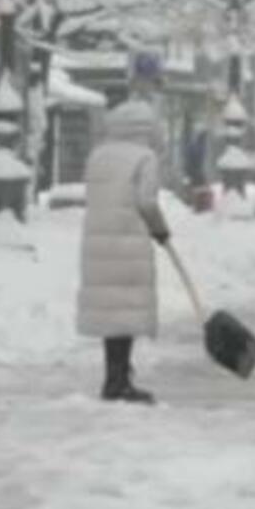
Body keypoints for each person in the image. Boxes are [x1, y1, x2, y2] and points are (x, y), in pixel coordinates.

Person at [77, 55, 169, 405]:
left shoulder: (99, 155)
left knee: (112, 312)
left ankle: (114, 377)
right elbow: (146, 202)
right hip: (129, 242)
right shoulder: (144, 158)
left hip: (99, 243)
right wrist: (160, 231)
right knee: (126, 310)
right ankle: (119, 381)